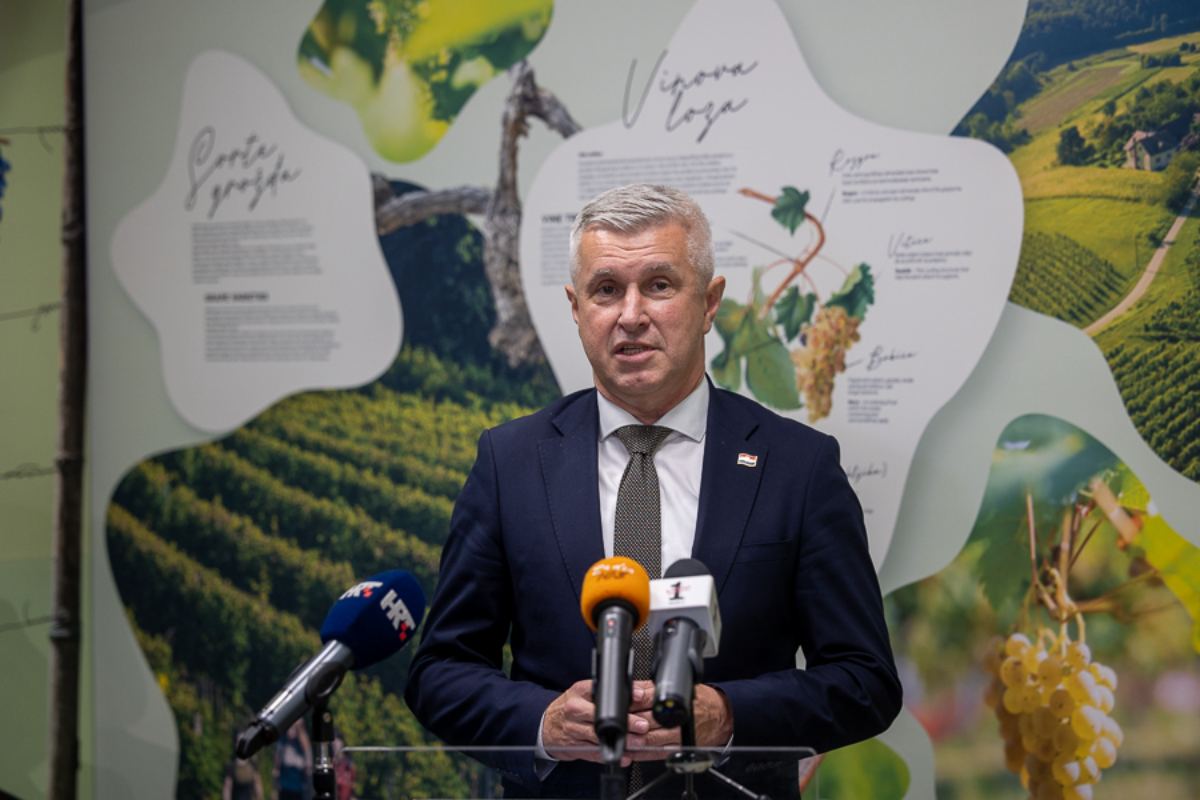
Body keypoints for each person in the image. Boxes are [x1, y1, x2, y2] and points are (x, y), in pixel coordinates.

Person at [405, 184, 901, 797]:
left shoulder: (798, 467)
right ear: (576, 307)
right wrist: (544, 723)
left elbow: (865, 680)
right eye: (606, 289)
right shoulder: (509, 463)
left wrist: (729, 715)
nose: (631, 315)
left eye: (660, 285)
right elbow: (441, 671)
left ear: (710, 302)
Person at [272, 718, 312, 800]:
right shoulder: (283, 742)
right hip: (285, 787)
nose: (290, 731)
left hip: (299, 788)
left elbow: (308, 764)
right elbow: (277, 765)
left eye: (294, 728)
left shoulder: (303, 745)